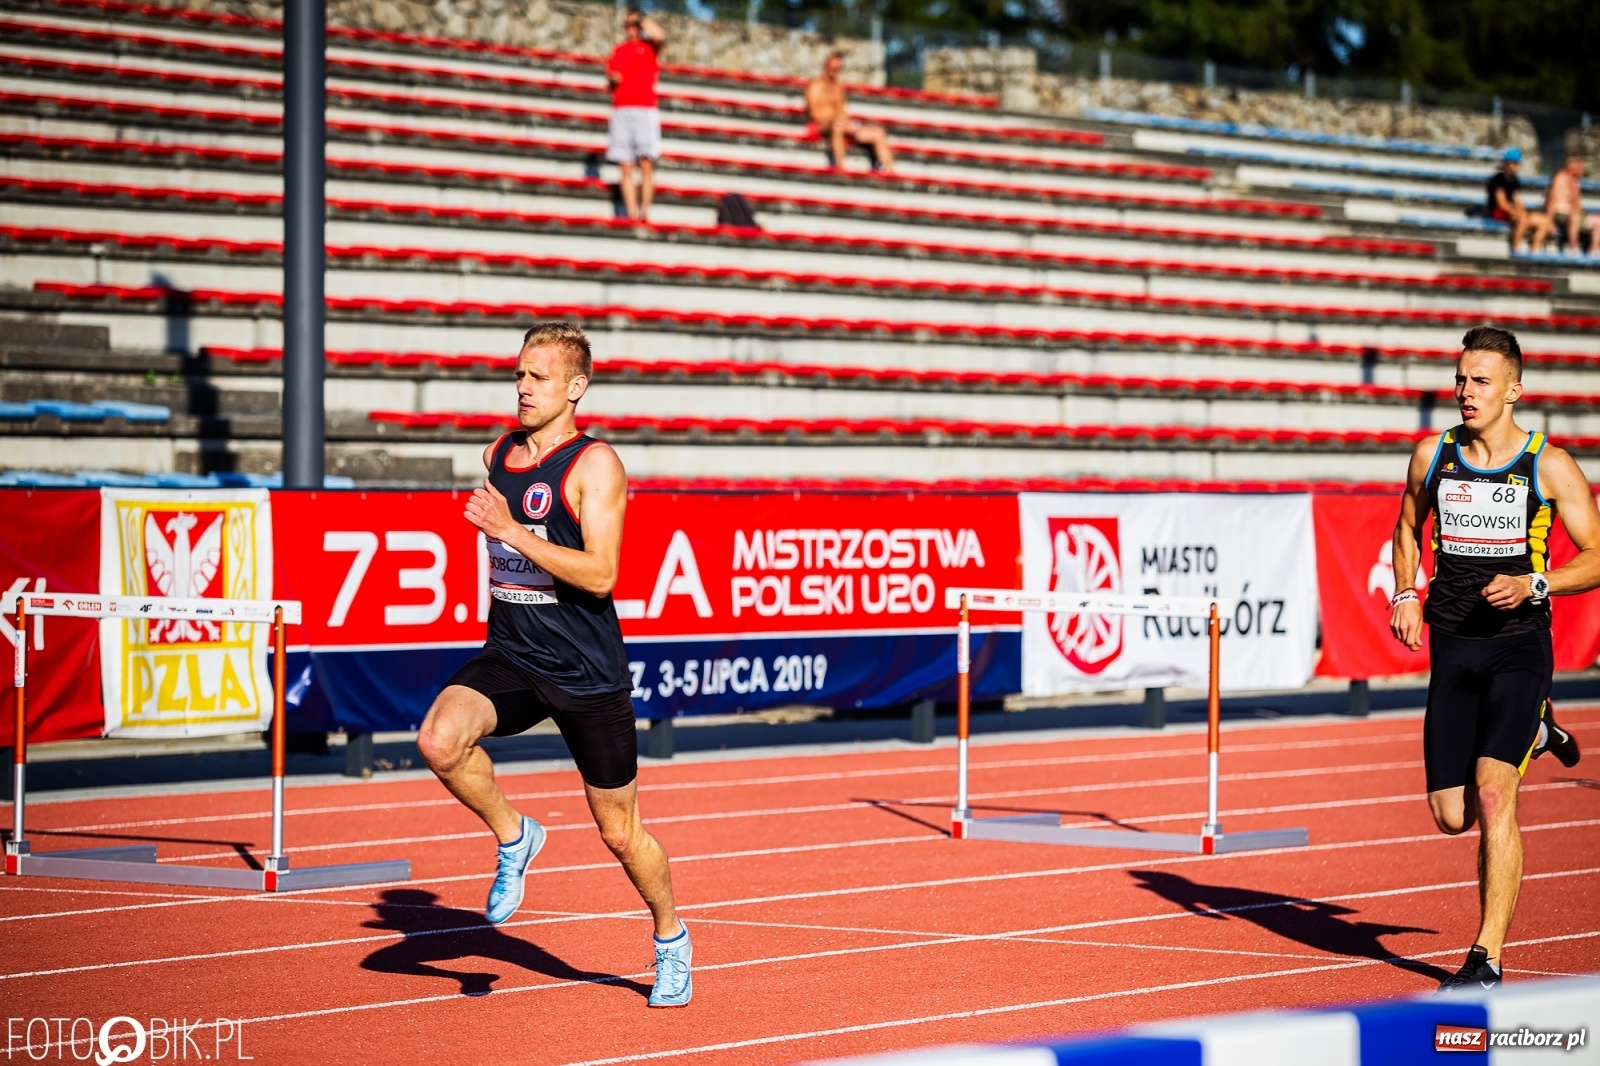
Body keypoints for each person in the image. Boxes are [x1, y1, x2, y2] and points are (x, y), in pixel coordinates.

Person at [416, 322, 692, 1007]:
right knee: (438, 741)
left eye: (538, 377)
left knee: (619, 834)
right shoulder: (498, 453)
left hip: (586, 674)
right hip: (513, 656)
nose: (522, 387)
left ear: (576, 388)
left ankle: (671, 939)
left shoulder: (596, 465)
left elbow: (601, 576)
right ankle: (517, 835)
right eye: (518, 374)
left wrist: (510, 531)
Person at [1390, 325, 1599, 991]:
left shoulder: (1549, 465)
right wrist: (1404, 592)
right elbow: (1404, 528)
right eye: (1460, 379)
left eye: (1480, 381)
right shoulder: (1433, 455)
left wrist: (1537, 583)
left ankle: (1486, 958)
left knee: (1492, 790)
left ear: (1514, 390)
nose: (1465, 392)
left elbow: (1596, 554)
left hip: (1517, 647)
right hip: (1452, 649)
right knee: (1452, 816)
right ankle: (1539, 731)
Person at [605, 11, 666, 222]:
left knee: (646, 164)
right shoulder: (618, 50)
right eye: (627, 24)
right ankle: (631, 215)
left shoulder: (650, 46)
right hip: (622, 109)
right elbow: (610, 82)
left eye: (634, 24)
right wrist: (613, 80)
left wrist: (641, 19)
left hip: (644, 109)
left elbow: (659, 34)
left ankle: (644, 213)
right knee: (625, 165)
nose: (631, 28)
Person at [804, 51, 894, 173]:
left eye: (837, 68)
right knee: (838, 125)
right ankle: (841, 168)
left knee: (878, 132)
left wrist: (851, 125)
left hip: (841, 123)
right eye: (832, 67)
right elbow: (814, 113)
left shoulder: (839, 87)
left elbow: (842, 111)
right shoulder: (815, 85)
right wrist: (837, 120)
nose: (834, 70)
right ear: (826, 66)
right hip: (822, 125)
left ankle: (891, 173)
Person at [1485, 148, 1541, 252]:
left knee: (1543, 221)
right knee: (1522, 219)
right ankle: (1515, 248)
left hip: (1510, 211)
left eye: (1517, 163)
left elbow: (1518, 200)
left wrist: (1524, 212)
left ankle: (1534, 251)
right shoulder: (1497, 180)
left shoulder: (1515, 180)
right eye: (1514, 163)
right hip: (1498, 212)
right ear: (1506, 163)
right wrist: (1518, 212)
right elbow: (1501, 204)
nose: (1516, 166)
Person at [1533, 157, 1586, 253]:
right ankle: (1573, 248)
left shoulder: (1575, 182)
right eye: (1579, 168)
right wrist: (1549, 221)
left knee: (1597, 221)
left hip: (1572, 215)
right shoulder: (1560, 178)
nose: (1581, 171)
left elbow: (1578, 206)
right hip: (1559, 213)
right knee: (1574, 216)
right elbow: (1552, 200)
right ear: (1572, 169)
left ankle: (1595, 251)